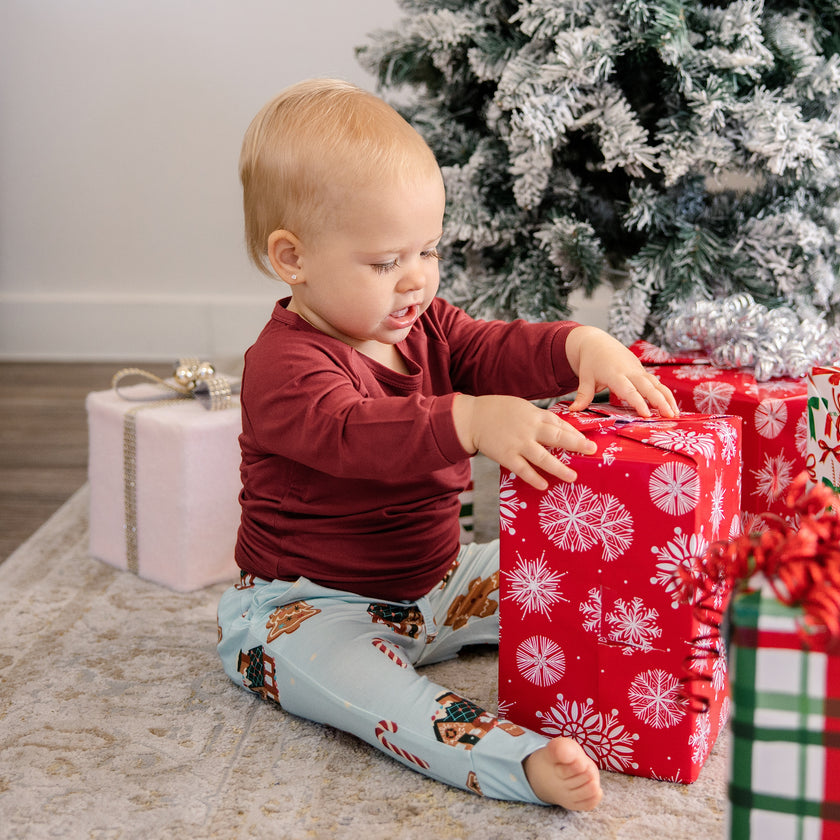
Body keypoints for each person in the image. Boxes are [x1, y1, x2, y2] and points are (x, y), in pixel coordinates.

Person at [217, 78, 678, 809]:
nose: (417, 282)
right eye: (384, 263)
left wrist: (575, 346)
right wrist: (466, 419)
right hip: (307, 608)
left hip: (440, 580)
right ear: (291, 258)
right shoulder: (283, 367)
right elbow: (353, 435)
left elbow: (492, 348)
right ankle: (517, 762)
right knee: (391, 706)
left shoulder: (422, 325)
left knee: (572, 565)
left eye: (428, 251)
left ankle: (695, 620)